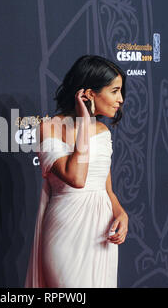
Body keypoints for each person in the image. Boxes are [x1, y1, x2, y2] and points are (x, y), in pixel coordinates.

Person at [25, 55, 129, 288]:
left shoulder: (103, 131)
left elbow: (107, 190)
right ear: (89, 94)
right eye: (114, 91)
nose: (120, 99)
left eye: (120, 92)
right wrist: (83, 121)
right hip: (65, 231)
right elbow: (77, 178)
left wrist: (121, 213)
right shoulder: (49, 128)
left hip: (102, 234)